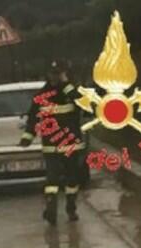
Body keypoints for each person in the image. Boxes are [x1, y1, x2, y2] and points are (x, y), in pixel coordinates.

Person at [19, 60, 87, 225]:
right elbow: (33, 118)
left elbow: (83, 103)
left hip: (70, 144)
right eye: (52, 74)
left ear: (62, 74)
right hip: (52, 145)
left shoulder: (70, 92)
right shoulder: (40, 96)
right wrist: (27, 137)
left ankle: (71, 209)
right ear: (47, 75)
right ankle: (51, 210)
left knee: (72, 179)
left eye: (58, 74)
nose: (54, 77)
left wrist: (67, 85)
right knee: (52, 179)